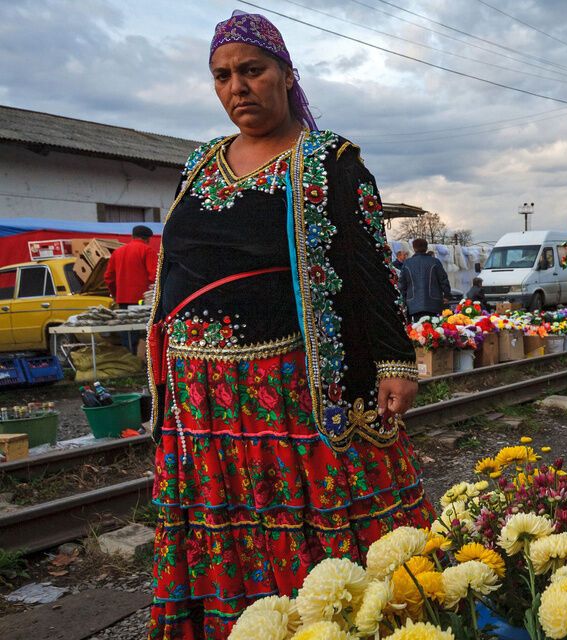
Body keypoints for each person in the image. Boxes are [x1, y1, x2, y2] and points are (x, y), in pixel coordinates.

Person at [147, 12, 433, 638]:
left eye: (252, 71)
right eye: (222, 76)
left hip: (293, 388)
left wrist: (394, 363)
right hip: (201, 402)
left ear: (285, 74)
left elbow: (369, 269)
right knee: (226, 521)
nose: (237, 88)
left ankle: (330, 622)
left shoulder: (331, 160)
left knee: (310, 518)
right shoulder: (198, 164)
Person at [103, 225, 158, 308]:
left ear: (132, 236)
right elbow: (155, 275)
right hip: (143, 300)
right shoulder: (148, 250)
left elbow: (109, 277)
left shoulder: (117, 252)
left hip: (122, 299)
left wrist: (116, 294)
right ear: (148, 239)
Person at [400, 237, 451, 321]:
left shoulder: (407, 263)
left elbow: (402, 284)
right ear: (426, 248)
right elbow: (443, 280)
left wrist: (404, 299)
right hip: (434, 302)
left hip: (413, 303)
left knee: (418, 330)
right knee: (435, 329)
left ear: (414, 248)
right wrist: (447, 295)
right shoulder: (435, 262)